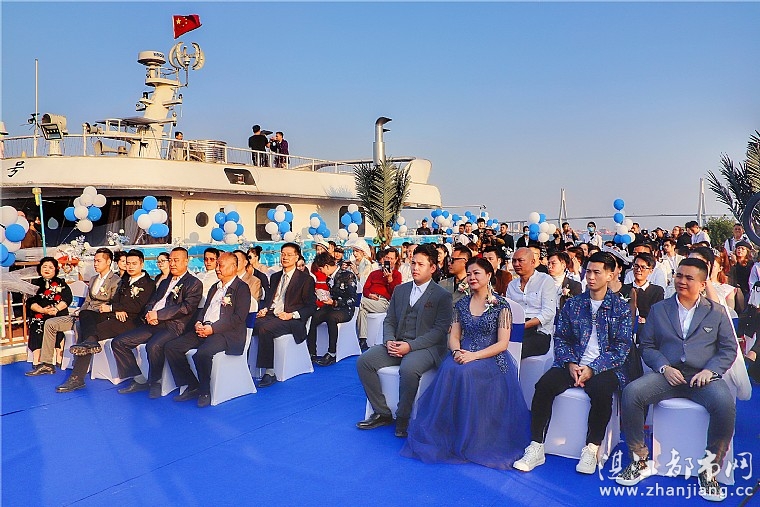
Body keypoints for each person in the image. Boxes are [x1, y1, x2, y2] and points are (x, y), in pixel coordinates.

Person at [616, 258, 737, 502]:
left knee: (725, 404)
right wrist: (663, 367)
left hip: (702, 377)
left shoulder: (716, 312)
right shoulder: (660, 309)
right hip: (668, 374)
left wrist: (710, 371)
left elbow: (728, 349)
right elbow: (647, 345)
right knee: (632, 393)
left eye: (689, 278)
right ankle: (638, 460)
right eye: (679, 275)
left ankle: (709, 470)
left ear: (702, 284)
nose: (681, 281)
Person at [401, 257, 530, 468]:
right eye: (469, 274)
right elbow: (453, 336)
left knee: (465, 372)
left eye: (476, 273)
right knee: (450, 368)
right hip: (462, 353)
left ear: (489, 275)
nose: (471, 277)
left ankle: (473, 438)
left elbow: (503, 344)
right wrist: (456, 351)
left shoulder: (501, 305)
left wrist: (473, 356)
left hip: (490, 357)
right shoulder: (461, 304)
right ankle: (450, 434)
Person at [514, 252, 633, 474]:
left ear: (610, 275)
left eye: (597, 272)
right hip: (571, 362)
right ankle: (536, 445)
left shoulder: (620, 308)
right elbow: (561, 338)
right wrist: (569, 362)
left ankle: (592, 448)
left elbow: (622, 348)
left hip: (605, 367)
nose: (591, 277)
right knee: (543, 386)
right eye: (588, 272)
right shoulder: (574, 304)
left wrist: (593, 368)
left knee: (602, 392)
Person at [356, 243, 453, 438]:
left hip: (427, 347)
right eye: (413, 263)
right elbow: (389, 320)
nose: (415, 268)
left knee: (408, 368)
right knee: (364, 361)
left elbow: (439, 331)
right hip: (398, 342)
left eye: (421, 264)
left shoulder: (442, 295)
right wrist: (389, 340)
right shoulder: (400, 290)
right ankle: (382, 412)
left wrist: (410, 346)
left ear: (433, 268)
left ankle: (403, 417)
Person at [56, 250, 156, 392]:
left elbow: (138, 306)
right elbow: (115, 299)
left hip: (131, 321)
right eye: (128, 263)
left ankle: (77, 377)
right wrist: (115, 309)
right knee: (86, 314)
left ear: (142, 264)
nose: (130, 266)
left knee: (89, 334)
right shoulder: (124, 280)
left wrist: (114, 308)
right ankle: (91, 342)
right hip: (115, 315)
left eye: (134, 263)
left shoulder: (148, 283)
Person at [111, 247, 203, 398]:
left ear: (186, 261)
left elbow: (186, 308)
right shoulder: (165, 282)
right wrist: (149, 314)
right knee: (119, 342)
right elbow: (152, 300)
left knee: (153, 346)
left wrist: (159, 315)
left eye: (176, 260)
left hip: (174, 326)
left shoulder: (194, 283)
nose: (172, 263)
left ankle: (155, 382)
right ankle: (139, 379)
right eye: (170, 260)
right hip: (152, 322)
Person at [165, 252, 252, 408]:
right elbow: (205, 309)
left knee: (202, 354)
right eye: (217, 265)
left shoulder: (241, 288)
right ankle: (192, 384)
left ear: (233, 267)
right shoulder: (214, 287)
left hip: (226, 334)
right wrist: (198, 322)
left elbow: (238, 318)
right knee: (172, 347)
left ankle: (204, 391)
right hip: (205, 328)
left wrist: (213, 328)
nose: (217, 268)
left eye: (221, 265)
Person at [27, 248, 120, 377]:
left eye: (98, 261)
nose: (95, 264)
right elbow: (87, 301)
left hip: (98, 317)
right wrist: (79, 312)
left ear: (108, 261)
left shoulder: (116, 280)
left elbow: (114, 303)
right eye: (94, 261)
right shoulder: (93, 279)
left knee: (80, 327)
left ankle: (78, 368)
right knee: (50, 323)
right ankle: (47, 363)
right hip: (82, 314)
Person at [254, 243, 317, 387]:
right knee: (249, 323)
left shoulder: (305, 279)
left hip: (291, 319)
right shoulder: (275, 276)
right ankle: (244, 365)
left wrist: (292, 315)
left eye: (289, 255)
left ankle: (269, 371)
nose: (285, 257)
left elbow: (311, 307)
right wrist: (265, 309)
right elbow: (271, 299)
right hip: (273, 314)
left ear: (297, 257)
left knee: (265, 329)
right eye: (283, 254)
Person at [306, 252, 358, 366]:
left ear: (327, 266)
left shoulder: (348, 275)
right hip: (331, 306)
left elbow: (352, 299)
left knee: (331, 318)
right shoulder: (329, 278)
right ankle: (312, 351)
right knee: (314, 316)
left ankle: (332, 352)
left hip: (346, 309)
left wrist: (335, 302)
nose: (321, 272)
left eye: (321, 269)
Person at [24, 257, 73, 371]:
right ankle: (37, 359)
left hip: (57, 312)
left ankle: (59, 356)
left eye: (50, 267)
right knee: (37, 324)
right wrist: (42, 310)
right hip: (40, 313)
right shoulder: (34, 283)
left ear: (55, 269)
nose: (47, 269)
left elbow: (67, 298)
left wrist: (56, 309)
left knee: (57, 323)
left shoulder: (61, 283)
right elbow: (30, 301)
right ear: (40, 268)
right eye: (44, 267)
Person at [506, 248, 557, 358]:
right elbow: (508, 311)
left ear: (532, 262)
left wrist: (523, 325)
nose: (516, 264)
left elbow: (548, 312)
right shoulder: (512, 285)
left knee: (514, 349)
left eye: (520, 260)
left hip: (539, 332)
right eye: (514, 261)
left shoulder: (545, 281)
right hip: (516, 328)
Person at [356, 247, 402, 351]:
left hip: (384, 302)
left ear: (395, 260)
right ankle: (363, 339)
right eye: (387, 258)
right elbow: (365, 289)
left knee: (360, 302)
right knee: (362, 310)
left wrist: (389, 279)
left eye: (391, 258)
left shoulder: (397, 275)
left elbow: (395, 294)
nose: (389, 260)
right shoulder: (374, 273)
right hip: (370, 299)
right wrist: (369, 295)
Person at [620, 253, 665, 333]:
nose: (638, 270)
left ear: (651, 271)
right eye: (636, 266)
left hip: (647, 330)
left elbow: (658, 314)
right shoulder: (623, 289)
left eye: (643, 267)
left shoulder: (657, 291)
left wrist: (645, 320)